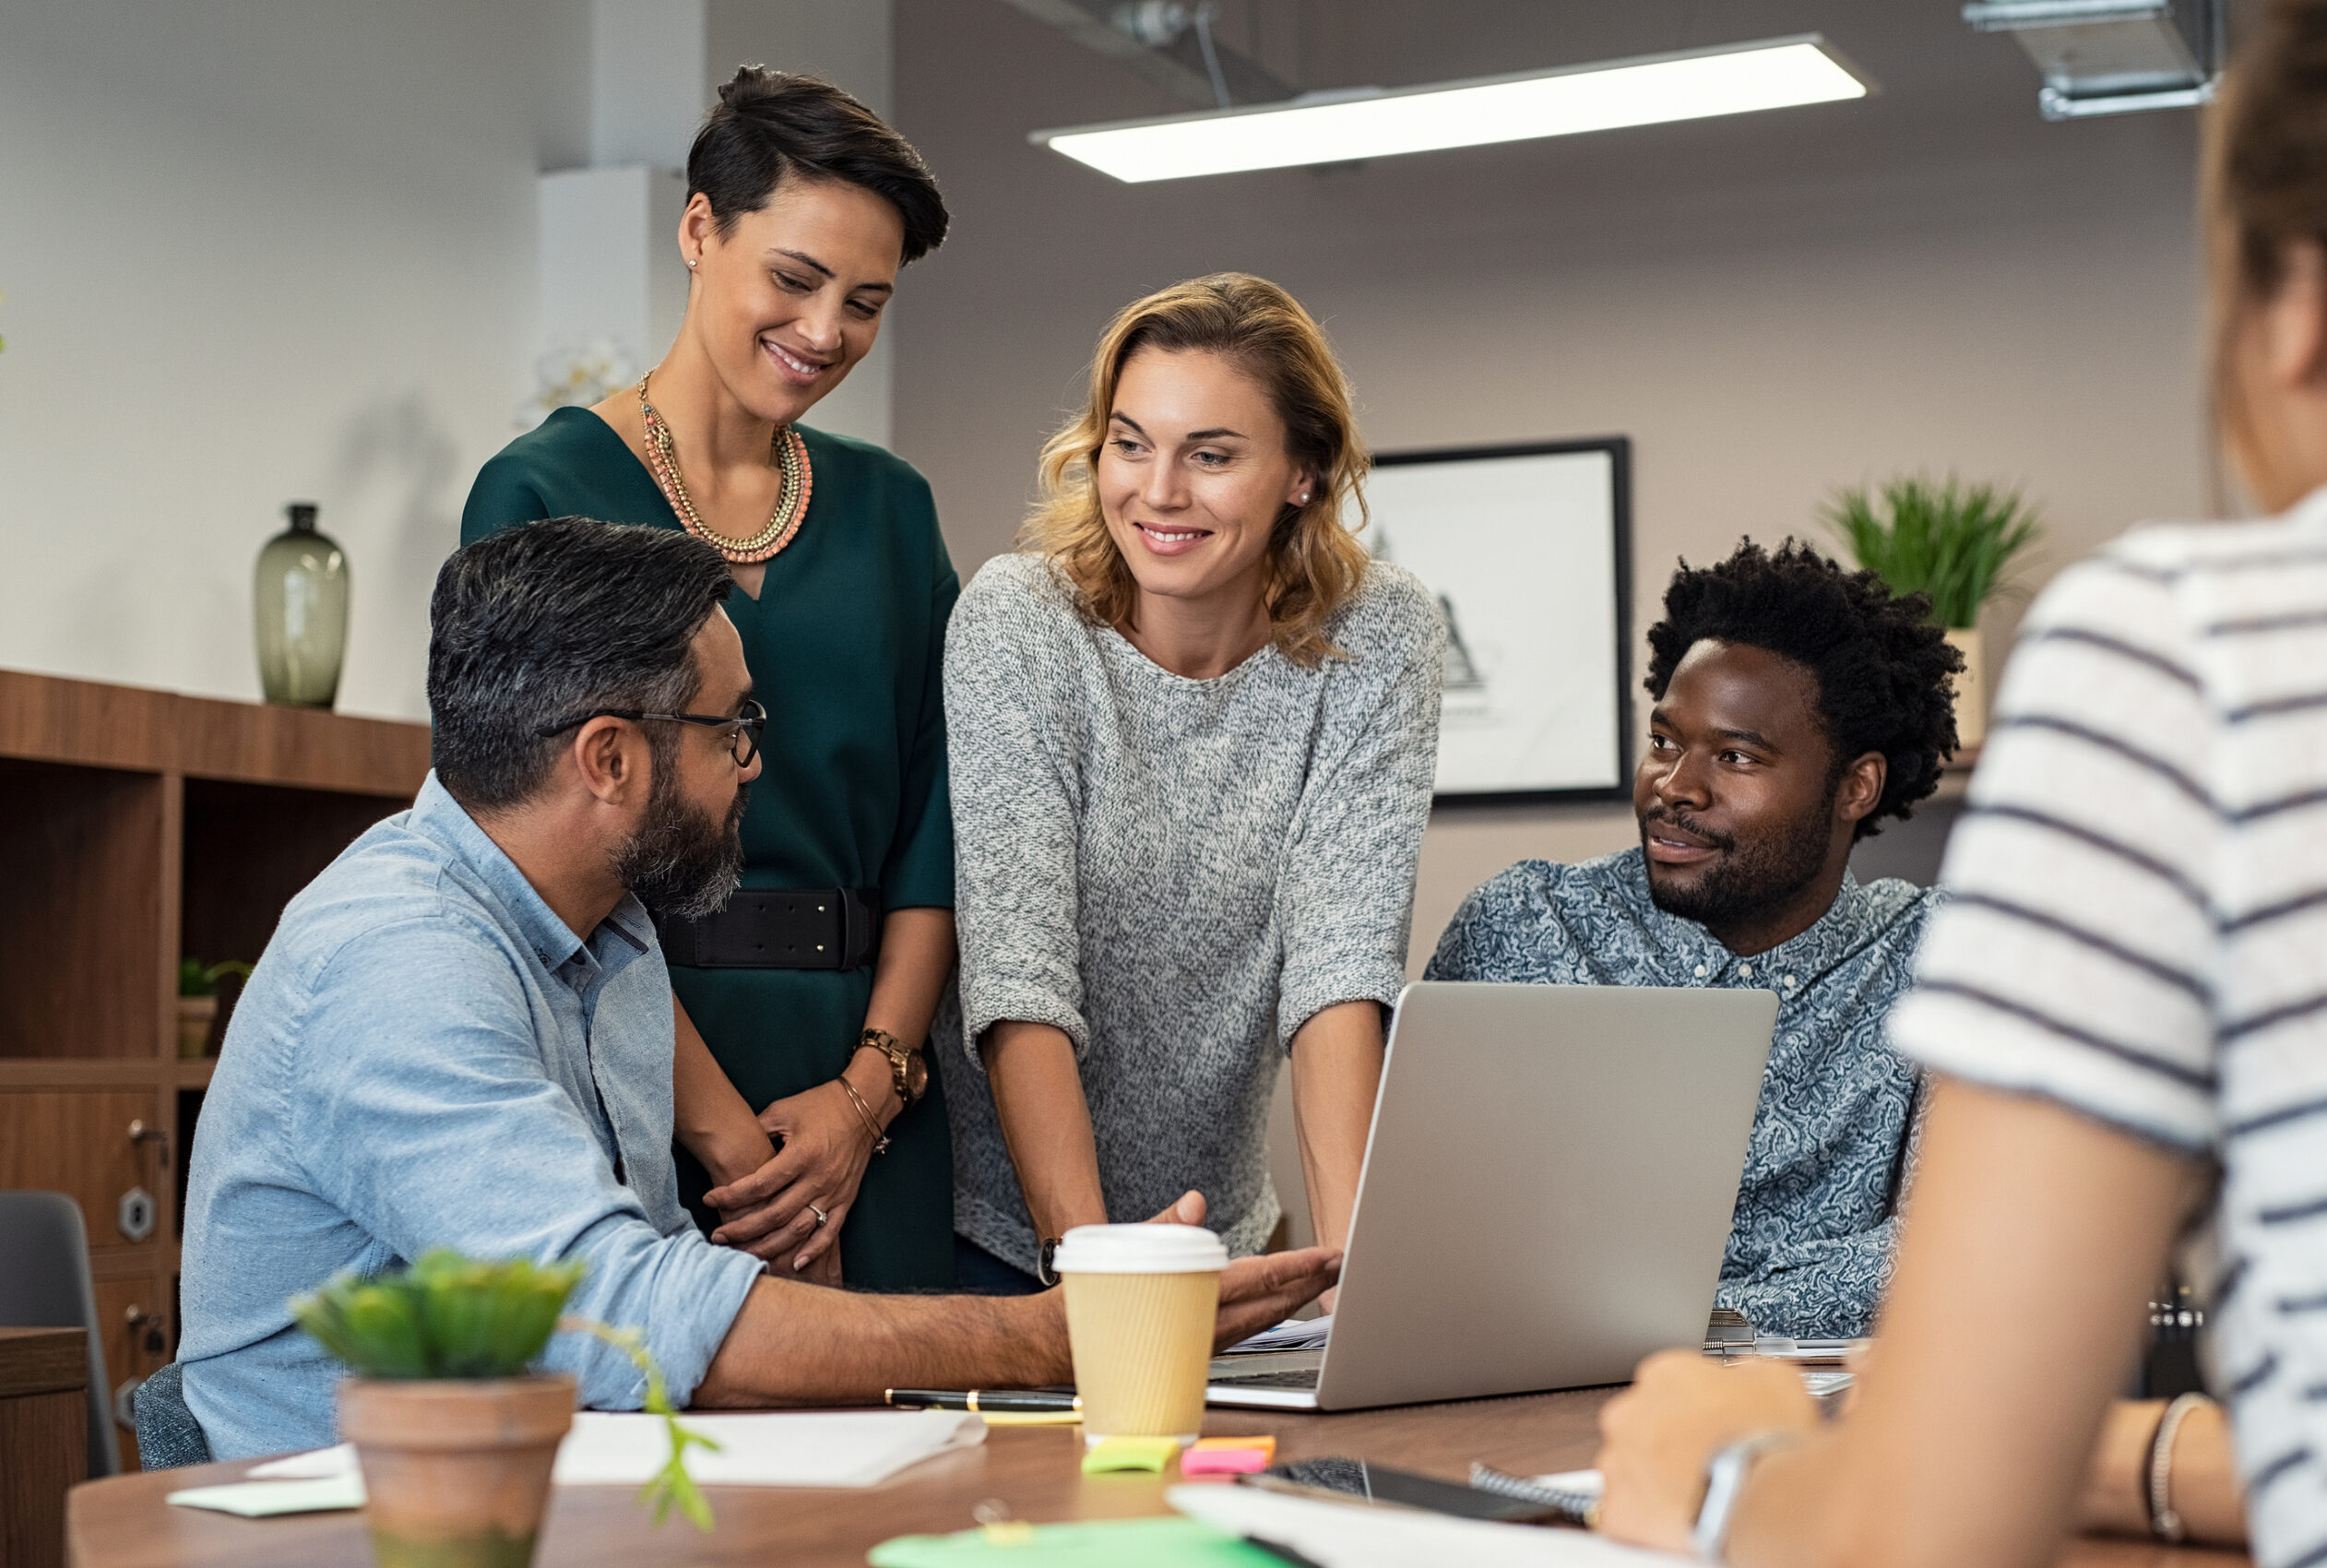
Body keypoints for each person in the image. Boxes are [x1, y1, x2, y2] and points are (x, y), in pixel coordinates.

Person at [1592, 2, 2327, 1561]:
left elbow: (1927, 1533)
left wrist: (1719, 1467)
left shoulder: (2199, 657)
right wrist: (2139, 1457)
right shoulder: (1544, 919)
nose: (1682, 783)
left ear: (2292, 302)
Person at [172, 518, 1336, 1459]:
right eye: (732, 727)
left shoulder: (611, 932)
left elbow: (662, 1310)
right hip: (355, 1527)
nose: (756, 763)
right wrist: (1052, 1338)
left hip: (566, 1486)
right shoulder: (393, 962)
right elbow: (620, 1318)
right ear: (609, 757)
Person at [461, 69, 959, 1289]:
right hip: (634, 1072)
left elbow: (943, 829)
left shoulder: (895, 513)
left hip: (865, 1096)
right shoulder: (537, 495)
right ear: (698, 229)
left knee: (917, 1467)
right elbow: (530, 851)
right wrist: (736, 1148)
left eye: (867, 302)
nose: (826, 329)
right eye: (794, 279)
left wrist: (865, 1098)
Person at [937, 274, 1446, 1295]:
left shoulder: (1378, 632)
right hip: (999, 1238)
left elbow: (1340, 967)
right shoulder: (1021, 620)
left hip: (1227, 1232)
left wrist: (1351, 1286)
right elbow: (1018, 973)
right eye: (1130, 443)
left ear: (1303, 470)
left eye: (1210, 455)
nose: (1159, 491)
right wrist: (1092, 1271)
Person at [1426, 540, 1960, 1339]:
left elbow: (1947, 1250)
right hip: (1527, 1398)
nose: (1675, 789)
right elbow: (1426, 1231)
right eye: (1666, 742)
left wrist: (1703, 1321)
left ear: (1857, 787)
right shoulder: (1525, 926)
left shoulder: (1937, 956)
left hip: (1823, 1427)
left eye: (1737, 756)